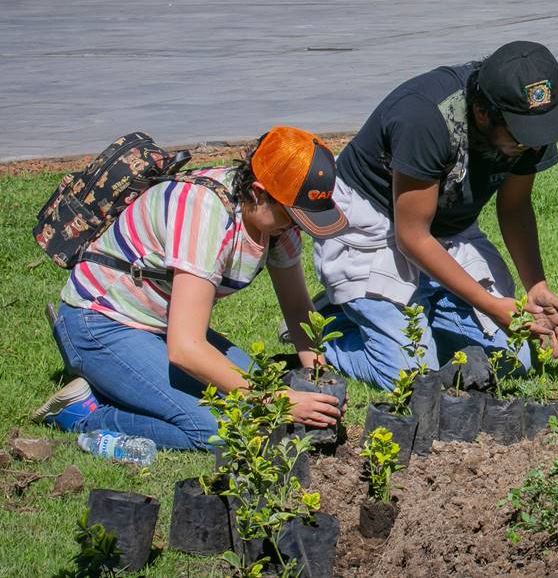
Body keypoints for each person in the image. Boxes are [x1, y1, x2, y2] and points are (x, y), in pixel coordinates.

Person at [32, 127, 349, 450]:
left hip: (160, 328)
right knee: (227, 431)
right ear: (257, 191)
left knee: (264, 398)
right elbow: (185, 348)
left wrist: (320, 381)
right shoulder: (206, 213)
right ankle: (84, 413)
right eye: (292, 215)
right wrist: (272, 400)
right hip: (99, 325)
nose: (297, 226)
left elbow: (297, 309)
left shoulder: (277, 221)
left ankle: (126, 384)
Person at [312, 41, 558, 390]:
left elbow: (514, 206)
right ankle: (332, 327)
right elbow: (412, 237)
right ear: (483, 113)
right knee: (411, 376)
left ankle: (414, 304)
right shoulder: (424, 117)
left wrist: (536, 286)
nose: (534, 146)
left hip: (448, 228)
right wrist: (488, 303)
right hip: (374, 227)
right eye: (521, 138)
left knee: (513, 361)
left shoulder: (528, 124)